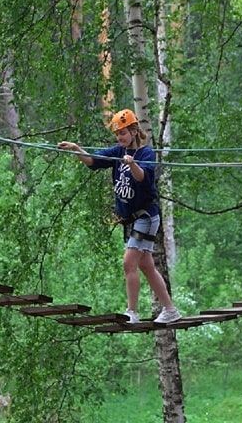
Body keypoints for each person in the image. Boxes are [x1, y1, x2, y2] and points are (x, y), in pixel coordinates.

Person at [57, 109, 183, 325]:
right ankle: (170, 310)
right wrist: (77, 149)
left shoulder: (146, 154)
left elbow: (142, 178)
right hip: (133, 220)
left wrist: (132, 163)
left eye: (122, 133)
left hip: (146, 217)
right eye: (117, 134)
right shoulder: (117, 151)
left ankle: (131, 312)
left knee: (128, 263)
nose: (119, 138)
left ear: (133, 131)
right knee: (146, 266)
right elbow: (92, 160)